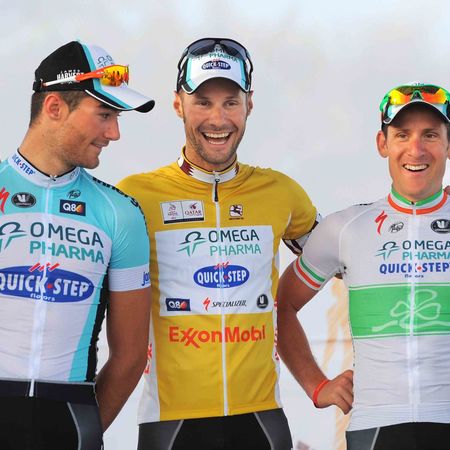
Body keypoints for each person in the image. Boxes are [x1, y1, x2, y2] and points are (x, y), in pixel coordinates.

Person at [117, 37, 320, 450]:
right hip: (171, 423)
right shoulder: (136, 196)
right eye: (203, 102)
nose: (218, 118)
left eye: (231, 102)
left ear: (249, 105)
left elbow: (349, 257)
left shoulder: (282, 192)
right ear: (178, 104)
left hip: (262, 418)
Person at [277, 82, 450, 450]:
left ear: (448, 144)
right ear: (382, 143)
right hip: (376, 426)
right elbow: (282, 304)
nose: (416, 149)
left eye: (430, 134)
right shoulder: (345, 228)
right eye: (402, 134)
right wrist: (316, 386)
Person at [0, 40, 154, 450]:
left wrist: (82, 428)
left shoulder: (120, 213)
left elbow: (131, 355)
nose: (114, 133)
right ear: (54, 107)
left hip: (69, 421)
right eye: (104, 114)